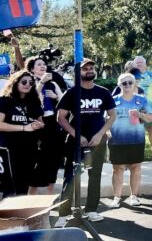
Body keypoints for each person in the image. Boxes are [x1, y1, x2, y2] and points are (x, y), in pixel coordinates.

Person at [55, 58, 117, 228]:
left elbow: (112, 116)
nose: (89, 70)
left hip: (97, 140)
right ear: (78, 72)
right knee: (71, 176)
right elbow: (61, 117)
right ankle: (64, 214)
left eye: (91, 68)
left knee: (95, 175)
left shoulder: (103, 92)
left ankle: (91, 210)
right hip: (76, 141)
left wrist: (100, 134)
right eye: (85, 69)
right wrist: (77, 135)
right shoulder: (72, 93)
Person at [108, 73, 152, 208]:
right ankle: (116, 197)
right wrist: (106, 131)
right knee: (117, 169)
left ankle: (134, 196)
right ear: (119, 85)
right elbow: (105, 119)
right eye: (124, 83)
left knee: (136, 168)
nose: (127, 85)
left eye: (130, 82)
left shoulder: (142, 100)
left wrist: (140, 114)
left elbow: (151, 118)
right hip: (117, 140)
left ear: (134, 84)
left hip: (136, 139)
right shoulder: (113, 100)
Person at [25, 55, 66, 195]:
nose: (43, 66)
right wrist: (41, 82)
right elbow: (33, 97)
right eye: (39, 64)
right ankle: (30, 198)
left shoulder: (53, 84)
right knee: (38, 162)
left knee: (53, 160)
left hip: (52, 123)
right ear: (32, 69)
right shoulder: (28, 82)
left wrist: (56, 97)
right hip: (36, 124)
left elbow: (64, 101)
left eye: (44, 64)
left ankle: (49, 198)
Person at [0, 71, 44, 195]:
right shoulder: (5, 101)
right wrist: (24, 128)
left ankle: (19, 214)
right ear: (15, 82)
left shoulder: (34, 102)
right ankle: (8, 213)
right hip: (8, 149)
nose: (27, 85)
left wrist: (38, 125)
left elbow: (40, 122)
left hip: (29, 149)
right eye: (23, 82)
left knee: (23, 186)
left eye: (31, 83)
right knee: (10, 187)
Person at [133, 56, 152, 161]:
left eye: (141, 62)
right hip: (134, 108)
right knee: (136, 131)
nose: (139, 64)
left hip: (148, 108)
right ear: (134, 64)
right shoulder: (131, 75)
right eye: (137, 63)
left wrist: (151, 102)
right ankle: (137, 154)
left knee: (150, 129)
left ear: (145, 64)